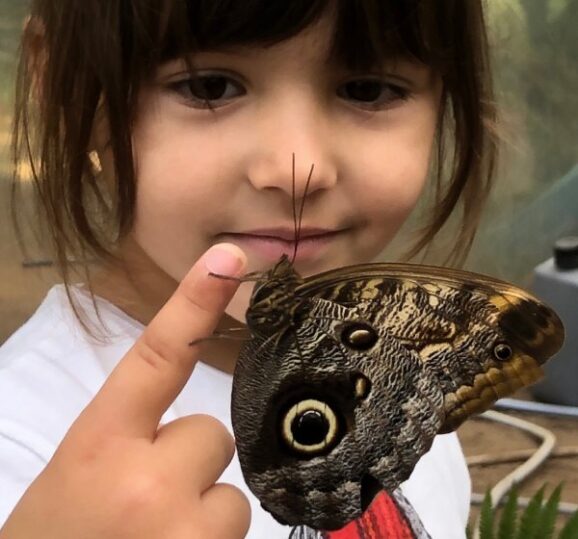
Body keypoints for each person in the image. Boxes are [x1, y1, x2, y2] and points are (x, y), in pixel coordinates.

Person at [0, 1, 497, 538]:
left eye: (367, 89)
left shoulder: (396, 371)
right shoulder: (24, 446)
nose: (297, 170)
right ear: (69, 89)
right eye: (209, 87)